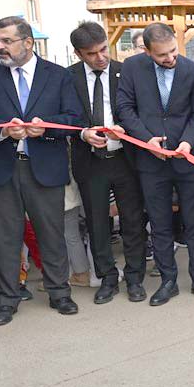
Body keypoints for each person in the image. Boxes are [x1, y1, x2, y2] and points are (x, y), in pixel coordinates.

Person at [0, 16, 83, 325]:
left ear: (28, 43)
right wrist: (2, 130)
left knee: (51, 233)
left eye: (6, 41)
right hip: (1, 168)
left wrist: (48, 129)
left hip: (44, 166)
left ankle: (60, 292)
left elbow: (73, 118)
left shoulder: (57, 75)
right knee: (4, 238)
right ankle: (6, 297)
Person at [115, 21, 194, 306]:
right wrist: (147, 139)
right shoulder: (132, 68)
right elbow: (125, 108)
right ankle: (168, 280)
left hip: (187, 157)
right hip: (150, 160)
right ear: (147, 52)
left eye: (173, 51)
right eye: (162, 55)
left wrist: (187, 141)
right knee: (159, 222)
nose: (170, 58)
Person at [67, 21, 148, 304]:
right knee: (97, 222)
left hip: (126, 158)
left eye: (104, 50)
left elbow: (140, 110)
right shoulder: (69, 77)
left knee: (133, 220)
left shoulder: (126, 72)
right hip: (90, 161)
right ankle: (107, 278)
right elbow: (65, 116)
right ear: (78, 54)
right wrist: (82, 133)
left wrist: (127, 128)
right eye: (92, 54)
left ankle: (135, 277)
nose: (100, 57)